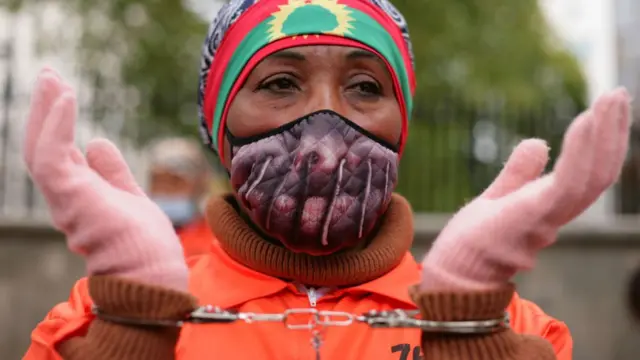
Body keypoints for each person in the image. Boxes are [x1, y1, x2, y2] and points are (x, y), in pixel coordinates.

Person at [22, 0, 630, 359]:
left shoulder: (519, 331)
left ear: (402, 125)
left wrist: (469, 325)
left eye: (365, 86)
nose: (326, 121)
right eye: (280, 82)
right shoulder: (89, 322)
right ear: (220, 124)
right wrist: (132, 330)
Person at [146, 137, 216, 257]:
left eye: (175, 182)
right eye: (158, 182)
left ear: (199, 186)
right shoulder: (137, 237)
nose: (165, 191)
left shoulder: (215, 243)